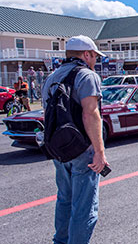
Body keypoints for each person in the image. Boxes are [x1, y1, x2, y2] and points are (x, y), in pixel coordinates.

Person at [41, 35, 108, 243]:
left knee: (64, 200)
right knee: (85, 208)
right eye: (95, 56)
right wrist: (99, 152)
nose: (96, 60)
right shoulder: (87, 76)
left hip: (58, 148)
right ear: (86, 54)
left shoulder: (52, 77)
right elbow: (90, 113)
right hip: (82, 150)